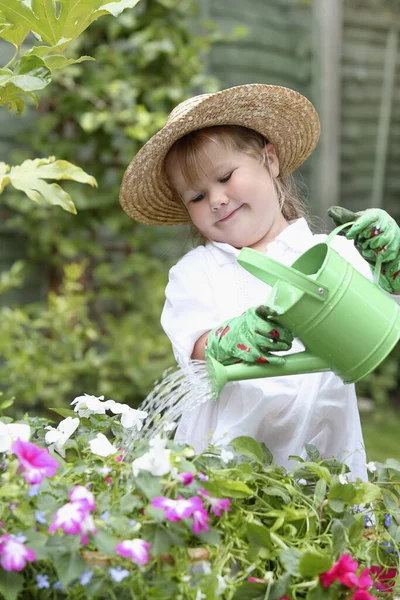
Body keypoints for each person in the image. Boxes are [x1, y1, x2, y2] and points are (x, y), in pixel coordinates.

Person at [120, 84, 400, 480]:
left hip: (326, 464)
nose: (216, 199)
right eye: (197, 196)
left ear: (269, 159)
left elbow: (385, 312)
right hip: (229, 466)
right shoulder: (197, 272)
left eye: (225, 176)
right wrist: (228, 339)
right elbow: (194, 349)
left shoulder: (331, 256)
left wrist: (390, 265)